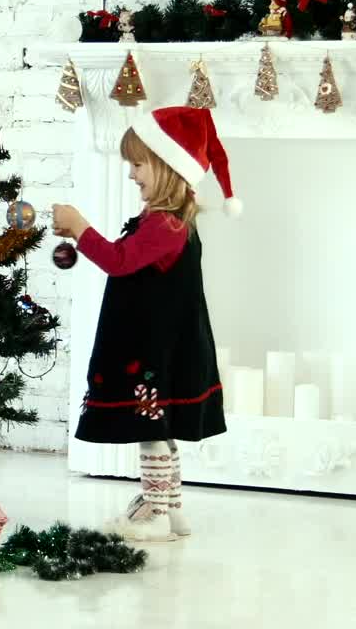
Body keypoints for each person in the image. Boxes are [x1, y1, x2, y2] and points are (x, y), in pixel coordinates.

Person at [52, 106, 238, 542]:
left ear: (168, 166)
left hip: (153, 349)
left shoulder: (166, 226)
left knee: (153, 430)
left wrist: (80, 228)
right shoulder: (168, 222)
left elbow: (119, 261)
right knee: (158, 429)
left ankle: (155, 509)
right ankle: (171, 511)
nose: (133, 174)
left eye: (139, 164)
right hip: (158, 344)